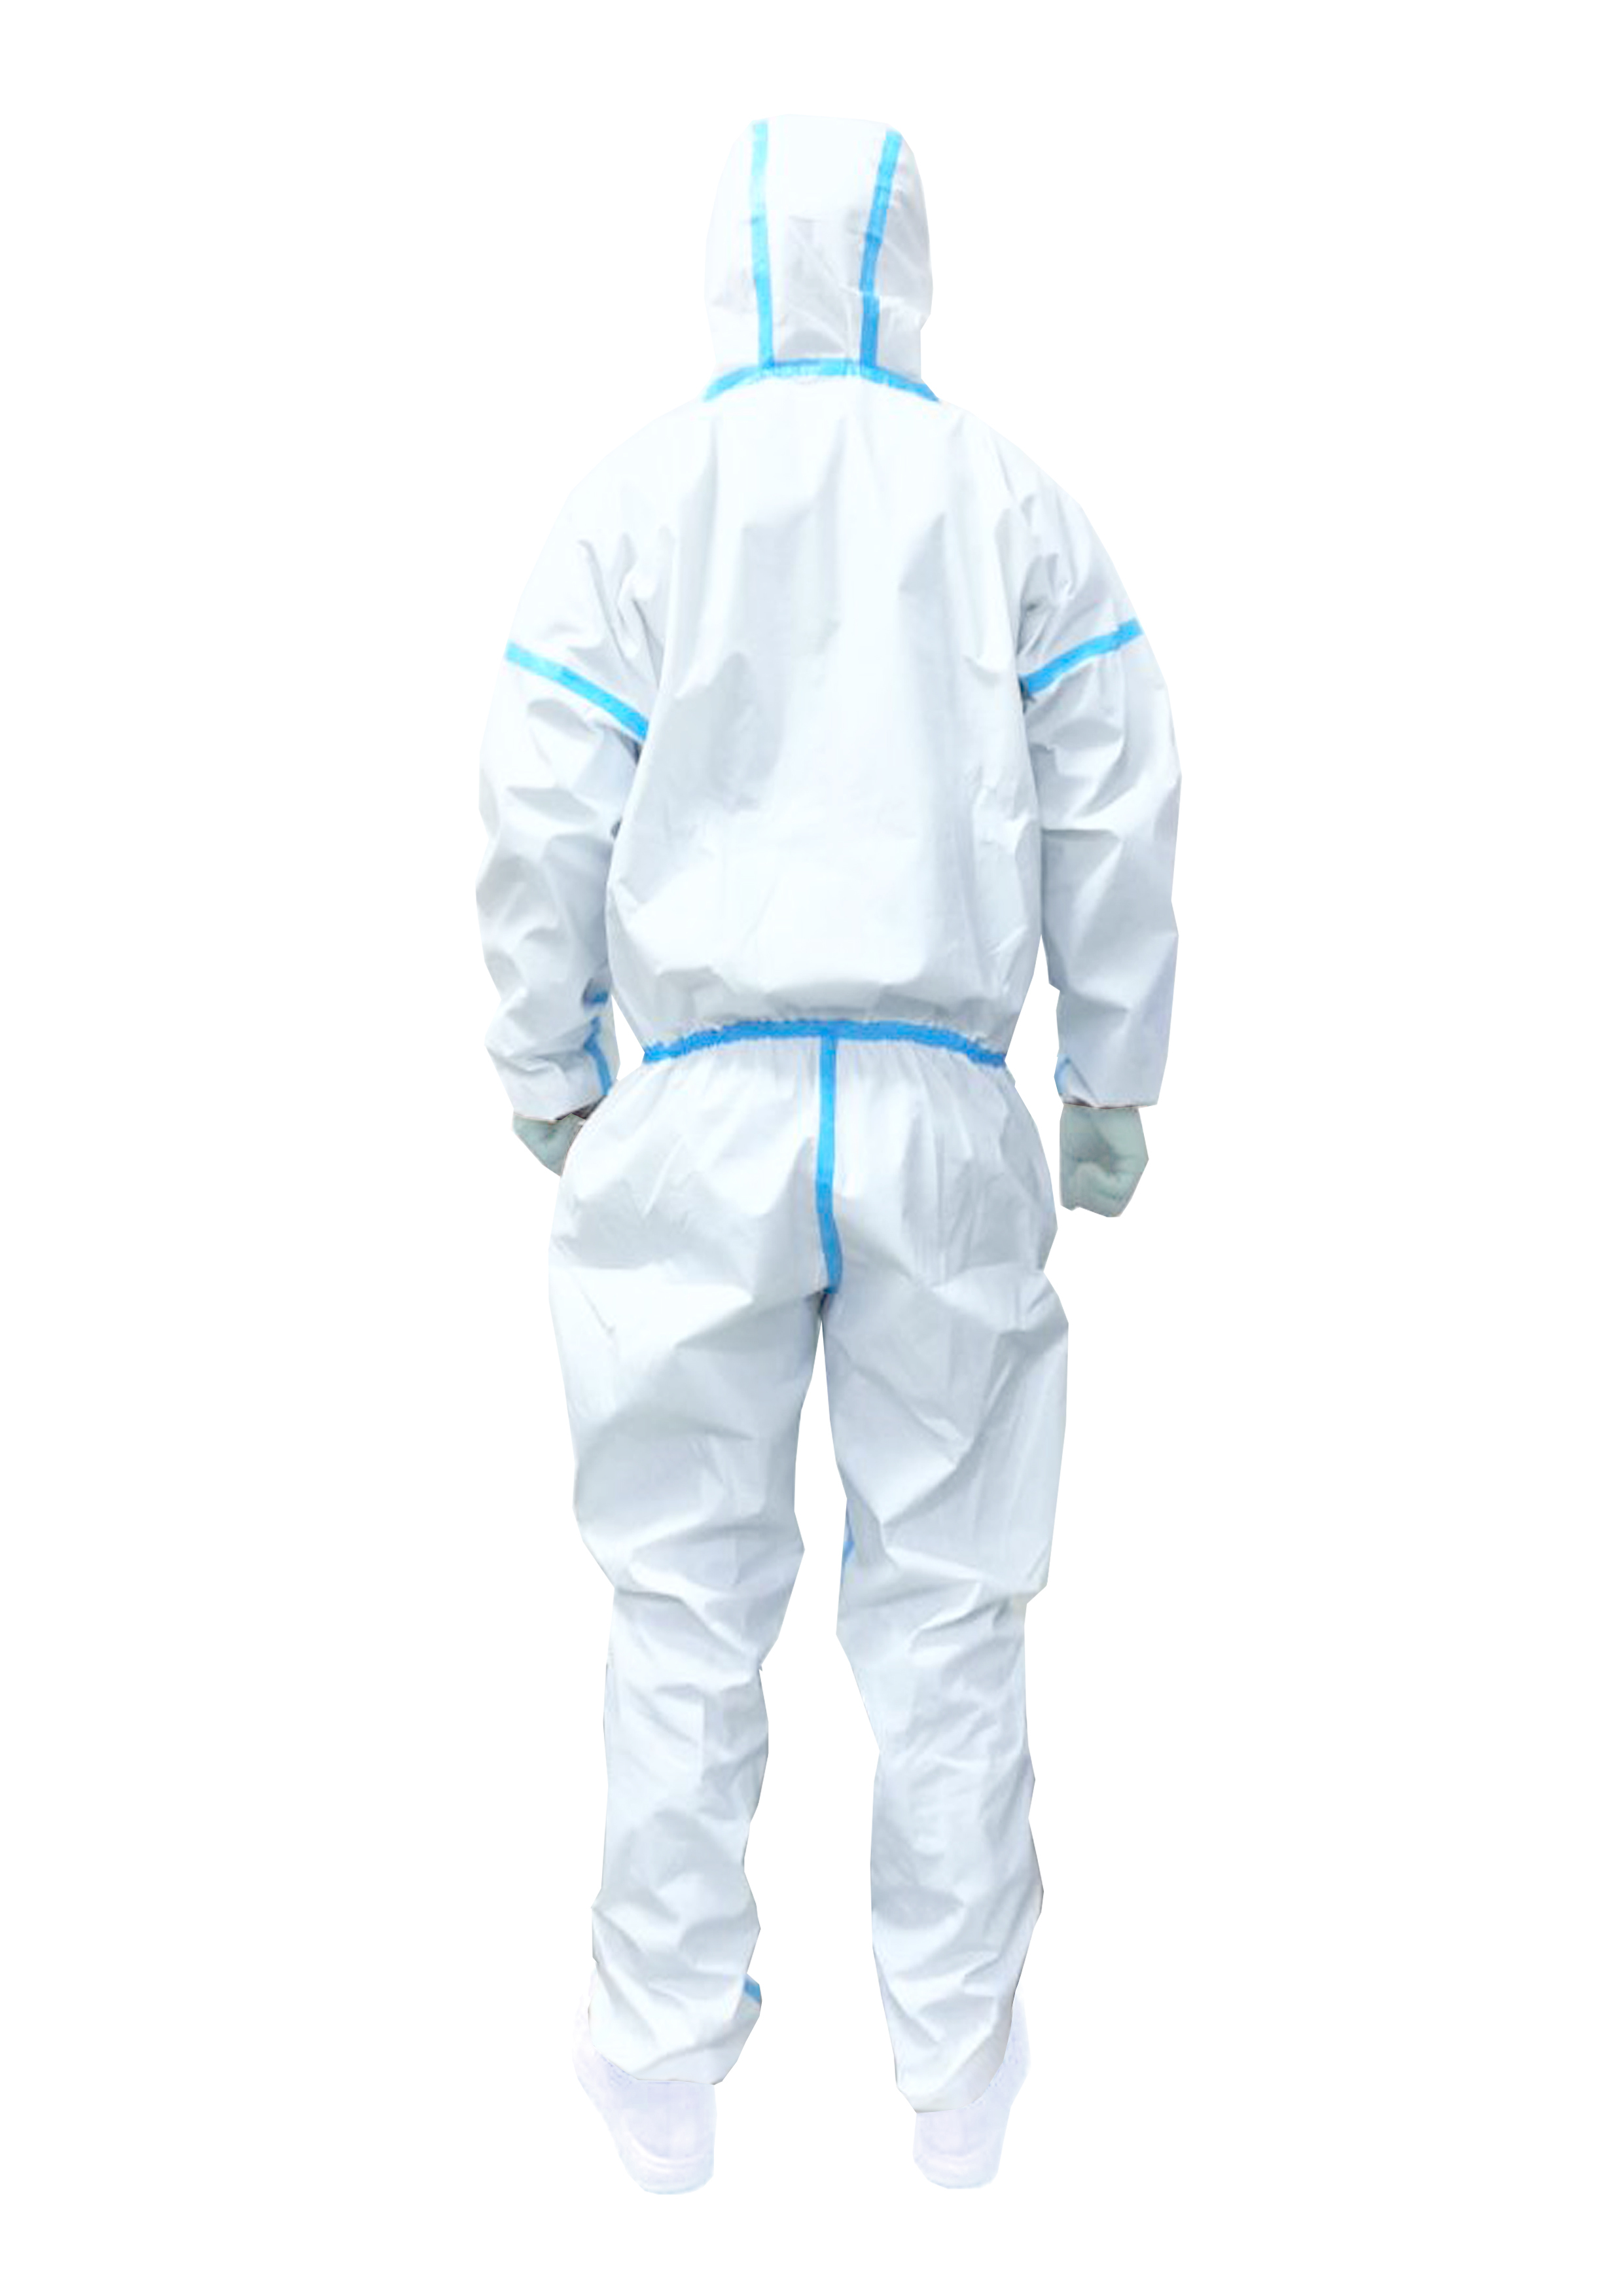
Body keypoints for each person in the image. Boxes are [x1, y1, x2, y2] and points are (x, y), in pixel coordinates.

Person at [476, 113, 1180, 2193]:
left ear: (726, 259)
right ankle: (960, 2083)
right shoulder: (1008, 500)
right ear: (911, 262)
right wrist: (1113, 1061)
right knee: (951, 1604)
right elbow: (1115, 780)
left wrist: (542, 1051)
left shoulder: (637, 501)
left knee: (682, 1596)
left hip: (692, 1113)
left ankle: (656, 2072)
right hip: (941, 1113)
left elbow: (541, 787)